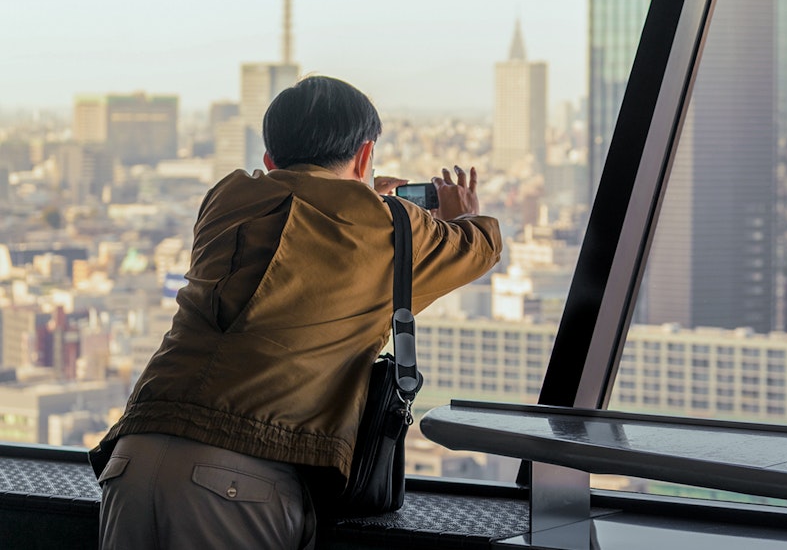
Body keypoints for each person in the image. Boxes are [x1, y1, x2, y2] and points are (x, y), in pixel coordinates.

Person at [89, 76, 502, 549]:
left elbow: (300, 217)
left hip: (132, 460)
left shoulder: (225, 199)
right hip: (242, 478)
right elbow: (481, 246)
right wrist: (461, 214)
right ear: (366, 156)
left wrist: (372, 202)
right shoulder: (390, 227)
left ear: (270, 159)